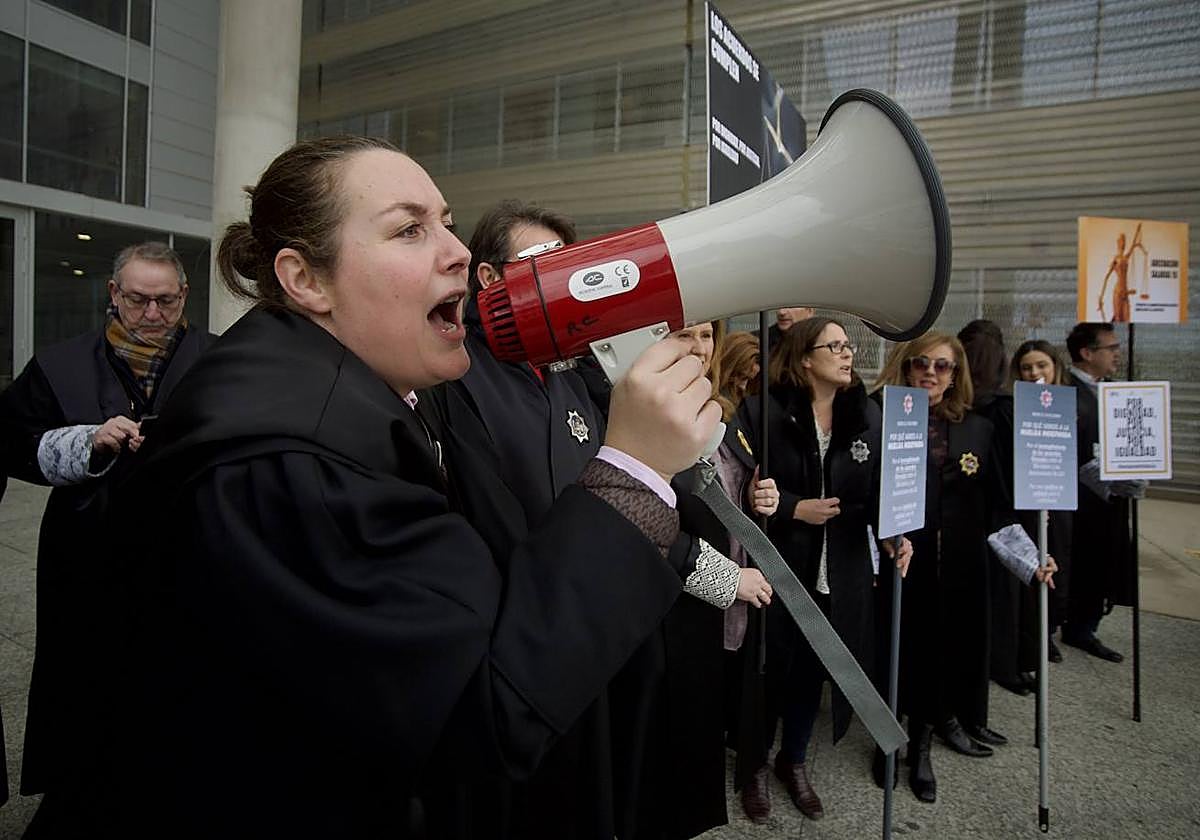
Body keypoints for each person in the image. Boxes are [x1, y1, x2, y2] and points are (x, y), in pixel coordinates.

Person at [62, 136, 720, 839]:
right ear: (306, 280)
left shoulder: (314, 392)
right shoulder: (290, 464)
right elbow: (481, 709)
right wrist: (636, 471)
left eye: (444, 221)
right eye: (409, 229)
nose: (457, 251)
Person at [0, 241, 212, 833]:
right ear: (113, 294)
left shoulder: (216, 358)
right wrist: (85, 441)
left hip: (189, 550)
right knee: (86, 678)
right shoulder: (59, 366)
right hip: (87, 551)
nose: (152, 314)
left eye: (166, 301)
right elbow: (11, 443)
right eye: (139, 299)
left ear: (184, 297)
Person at [737, 317, 911, 822]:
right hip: (782, 567)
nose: (847, 353)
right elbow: (743, 489)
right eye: (833, 345)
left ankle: (793, 761)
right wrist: (794, 507)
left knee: (813, 676)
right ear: (804, 358)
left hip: (843, 568)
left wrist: (897, 533)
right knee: (770, 671)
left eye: (847, 345)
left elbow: (881, 491)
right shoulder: (763, 413)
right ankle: (753, 766)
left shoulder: (868, 418)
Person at [873, 332, 1053, 804]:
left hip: (958, 567)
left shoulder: (979, 429)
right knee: (895, 650)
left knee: (943, 652)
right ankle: (885, 738)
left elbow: (998, 507)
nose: (930, 372)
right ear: (905, 367)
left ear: (956, 376)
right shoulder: (881, 418)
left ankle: (923, 744)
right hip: (898, 563)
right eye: (920, 363)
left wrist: (1032, 558)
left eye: (942, 366)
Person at [957, 320, 1032, 696]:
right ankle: (1003, 662)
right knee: (1000, 596)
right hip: (996, 513)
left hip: (969, 514)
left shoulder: (968, 408)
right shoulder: (1001, 408)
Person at [1062, 322, 1139, 662]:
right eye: (1111, 348)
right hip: (1078, 500)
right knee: (1077, 562)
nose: (1117, 354)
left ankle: (1085, 625)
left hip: (1110, 498)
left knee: (1103, 563)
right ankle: (1067, 624)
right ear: (1087, 353)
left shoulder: (1114, 392)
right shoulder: (1064, 391)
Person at [1010, 339, 1073, 665]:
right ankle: (1026, 641)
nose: (1035, 372)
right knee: (1028, 571)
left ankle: (1047, 634)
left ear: (1055, 368)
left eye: (1041, 366)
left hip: (1058, 502)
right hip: (1025, 503)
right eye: (1027, 367)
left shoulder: (1068, 407)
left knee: (1056, 566)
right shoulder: (1015, 408)